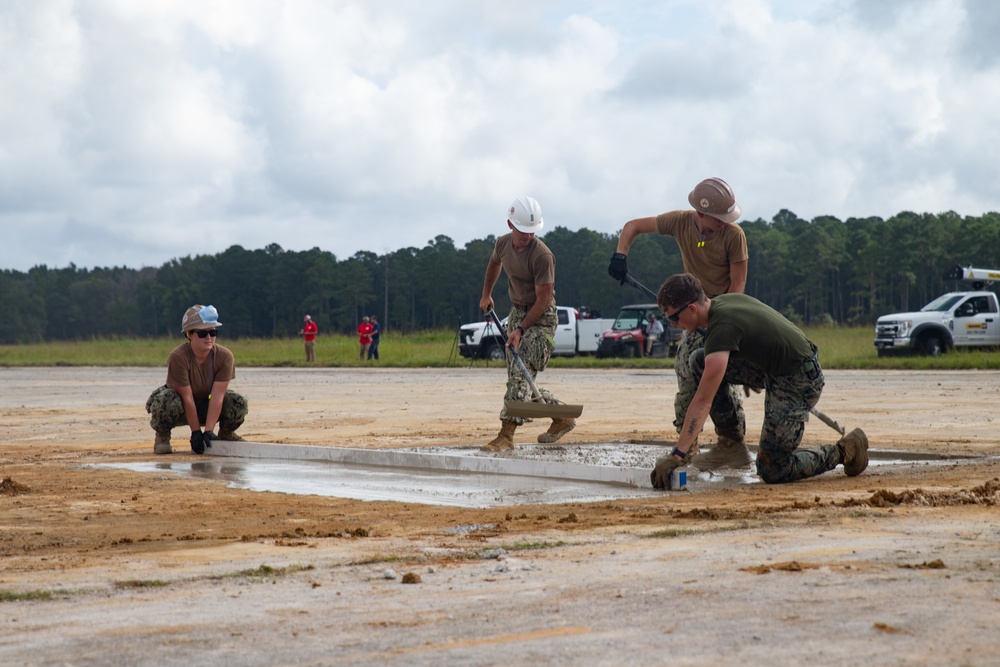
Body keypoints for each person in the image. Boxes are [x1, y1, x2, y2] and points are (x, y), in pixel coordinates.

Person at [649, 273, 869, 489]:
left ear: (691, 309)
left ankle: (846, 450)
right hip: (775, 368)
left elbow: (702, 401)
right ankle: (731, 443)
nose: (673, 324)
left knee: (772, 468)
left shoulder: (721, 327)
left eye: (673, 318)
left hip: (798, 379)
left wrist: (677, 454)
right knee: (699, 360)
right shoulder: (722, 303)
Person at [608, 177, 750, 471]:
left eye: (727, 218)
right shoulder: (680, 223)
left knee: (721, 380)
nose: (724, 223)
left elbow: (738, 286)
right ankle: (689, 447)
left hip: (723, 316)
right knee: (686, 371)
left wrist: (723, 325)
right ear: (701, 213)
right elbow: (633, 226)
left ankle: (732, 444)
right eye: (718, 218)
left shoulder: (734, 236)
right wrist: (621, 254)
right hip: (692, 313)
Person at [479, 196, 574, 451]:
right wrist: (486, 294)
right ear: (511, 224)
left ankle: (506, 436)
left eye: (533, 232)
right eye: (523, 232)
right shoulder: (502, 244)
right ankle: (561, 415)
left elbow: (543, 300)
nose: (528, 237)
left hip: (542, 320)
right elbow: (493, 264)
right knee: (519, 378)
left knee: (520, 374)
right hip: (517, 312)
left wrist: (521, 330)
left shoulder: (543, 256)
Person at [145, 305, 249, 455]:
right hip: (181, 407)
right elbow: (187, 397)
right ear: (189, 334)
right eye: (202, 333)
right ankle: (162, 437)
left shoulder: (225, 357)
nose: (209, 337)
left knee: (238, 401)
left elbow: (217, 396)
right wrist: (195, 432)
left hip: (207, 405)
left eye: (213, 332)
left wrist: (208, 431)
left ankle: (226, 433)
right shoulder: (178, 357)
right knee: (165, 400)